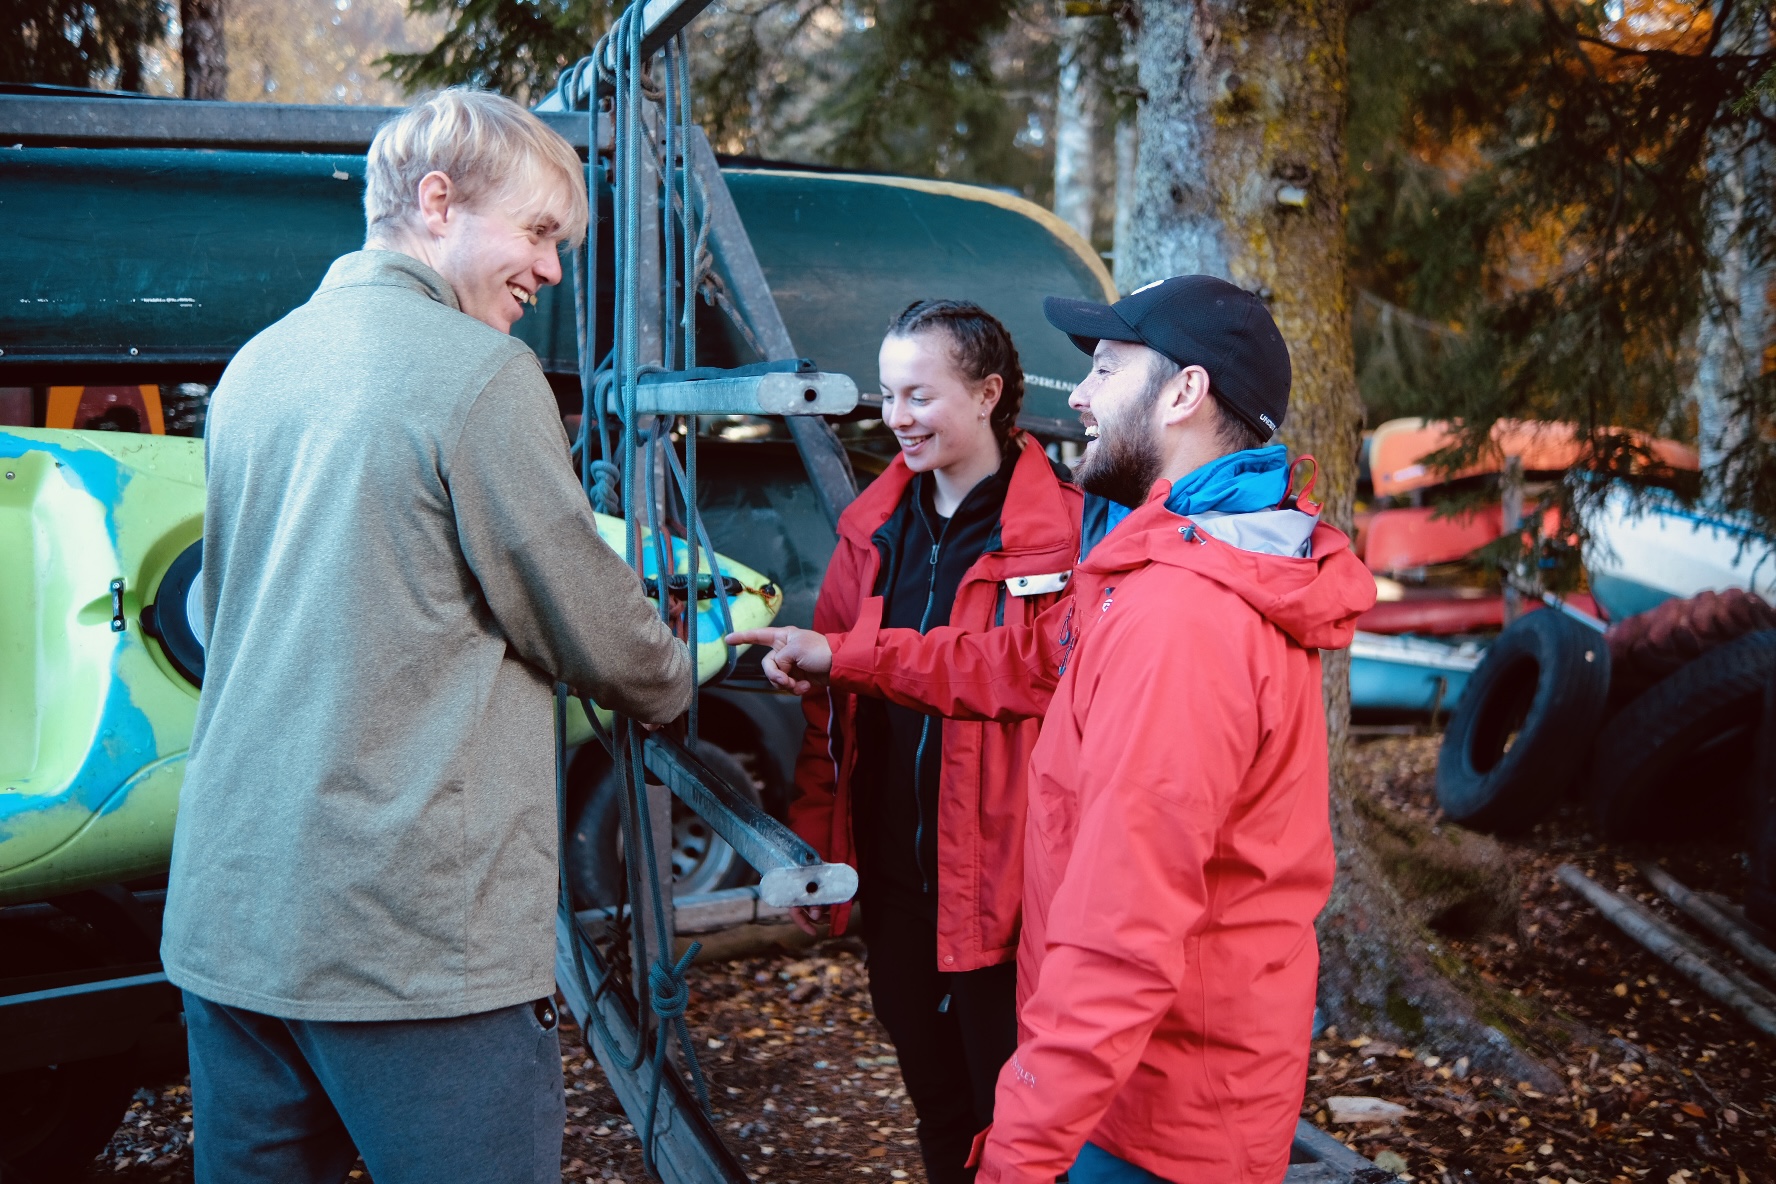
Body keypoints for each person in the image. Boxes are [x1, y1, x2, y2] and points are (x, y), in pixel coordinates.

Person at [732, 276, 1376, 1183]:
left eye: (1107, 368)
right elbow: (1021, 661)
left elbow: (1122, 941)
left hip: (1150, 1121)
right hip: (1141, 1090)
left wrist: (1017, 1157)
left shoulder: (1181, 622)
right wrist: (847, 658)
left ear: (1184, 394)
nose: (1076, 394)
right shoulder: (1163, 567)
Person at [159, 88, 692, 1184]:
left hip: (234, 912)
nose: (551, 271)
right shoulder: (478, 375)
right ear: (437, 204)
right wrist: (676, 669)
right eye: (540, 233)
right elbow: (591, 623)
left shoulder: (255, 366)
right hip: (405, 935)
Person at [790, 300, 1082, 1184]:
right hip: (898, 884)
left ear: (990, 393)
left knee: (1018, 1122)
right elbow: (828, 720)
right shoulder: (869, 533)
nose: (898, 419)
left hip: (1012, 890)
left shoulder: (1067, 534)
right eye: (887, 396)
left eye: (920, 395)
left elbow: (1028, 673)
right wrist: (818, 839)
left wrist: (848, 657)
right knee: (938, 1108)